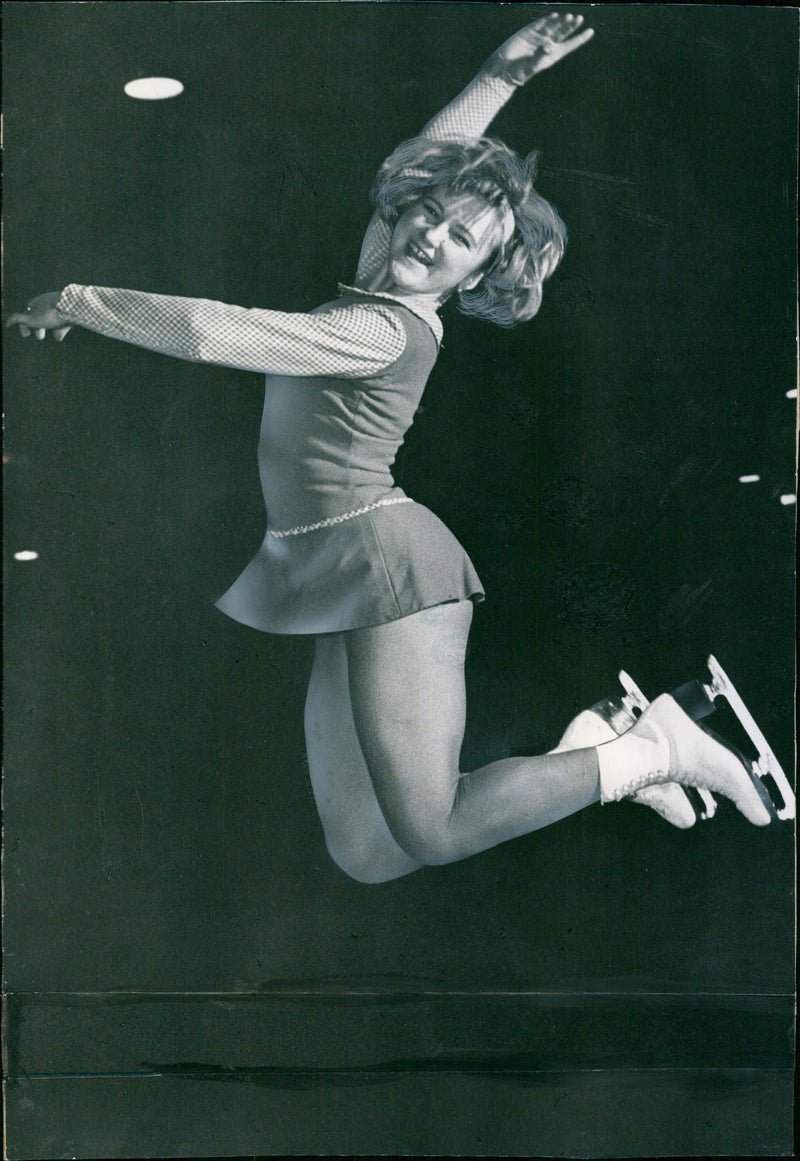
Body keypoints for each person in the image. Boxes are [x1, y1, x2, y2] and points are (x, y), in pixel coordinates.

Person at [7, 13, 775, 884]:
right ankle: (605, 743)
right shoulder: (381, 268)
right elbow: (432, 157)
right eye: (427, 214)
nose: (431, 236)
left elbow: (209, 329)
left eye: (459, 239)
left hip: (391, 568)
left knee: (434, 829)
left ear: (476, 276)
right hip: (334, 562)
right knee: (369, 850)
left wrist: (73, 299)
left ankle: (660, 748)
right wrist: (502, 74)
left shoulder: (379, 328)